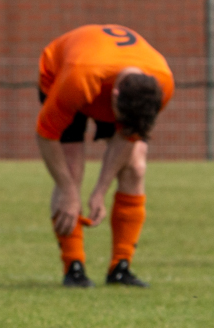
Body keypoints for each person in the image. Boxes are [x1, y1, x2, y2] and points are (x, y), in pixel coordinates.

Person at [37, 25, 174, 289]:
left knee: (136, 166)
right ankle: (73, 267)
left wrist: (100, 190)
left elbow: (129, 136)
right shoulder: (77, 80)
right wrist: (69, 191)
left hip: (104, 75)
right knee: (71, 169)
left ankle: (120, 267)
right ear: (114, 95)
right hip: (62, 73)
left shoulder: (162, 84)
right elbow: (45, 135)